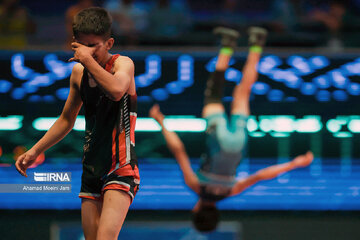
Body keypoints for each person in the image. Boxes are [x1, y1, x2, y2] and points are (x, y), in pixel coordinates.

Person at [149, 27, 314, 232]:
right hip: (218, 138)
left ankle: (256, 43)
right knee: (214, 91)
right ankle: (227, 45)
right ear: (195, 211)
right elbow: (178, 149)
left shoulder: (232, 191)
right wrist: (161, 121)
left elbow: (262, 175)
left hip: (238, 142)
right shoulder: (196, 186)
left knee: (243, 91)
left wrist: (294, 163)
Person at [15, 7, 139, 240]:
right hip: (91, 169)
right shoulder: (77, 74)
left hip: (121, 167)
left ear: (109, 43)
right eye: (83, 46)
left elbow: (115, 90)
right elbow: (66, 120)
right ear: (75, 44)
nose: (89, 52)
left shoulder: (123, 64)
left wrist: (86, 60)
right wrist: (35, 150)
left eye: (95, 46)